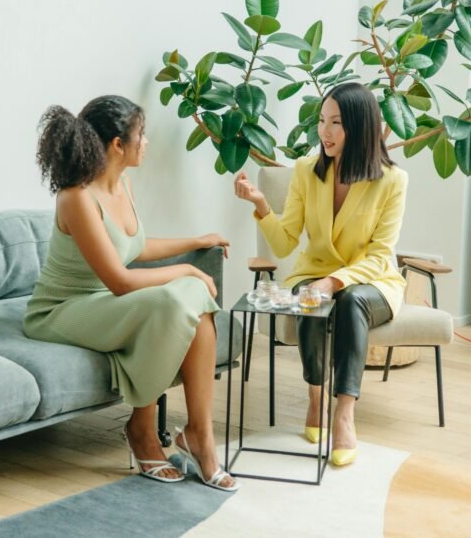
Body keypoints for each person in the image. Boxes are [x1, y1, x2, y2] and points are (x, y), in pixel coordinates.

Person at [25, 95, 238, 491]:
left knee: (191, 305)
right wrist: (189, 268)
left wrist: (195, 240)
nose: (147, 142)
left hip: (103, 303)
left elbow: (134, 248)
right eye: (142, 134)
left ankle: (199, 437)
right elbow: (120, 280)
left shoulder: (124, 186)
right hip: (61, 310)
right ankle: (142, 428)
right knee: (180, 296)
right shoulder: (76, 197)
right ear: (117, 145)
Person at [233, 82, 408, 467]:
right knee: (311, 297)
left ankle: (344, 413)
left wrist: (335, 281)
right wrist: (261, 205)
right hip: (314, 274)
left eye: (336, 123)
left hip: (373, 281)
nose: (324, 132)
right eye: (322, 121)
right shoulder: (305, 171)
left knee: (349, 299)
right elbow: (284, 244)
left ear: (360, 127)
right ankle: (316, 396)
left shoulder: (392, 181)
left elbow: (381, 254)